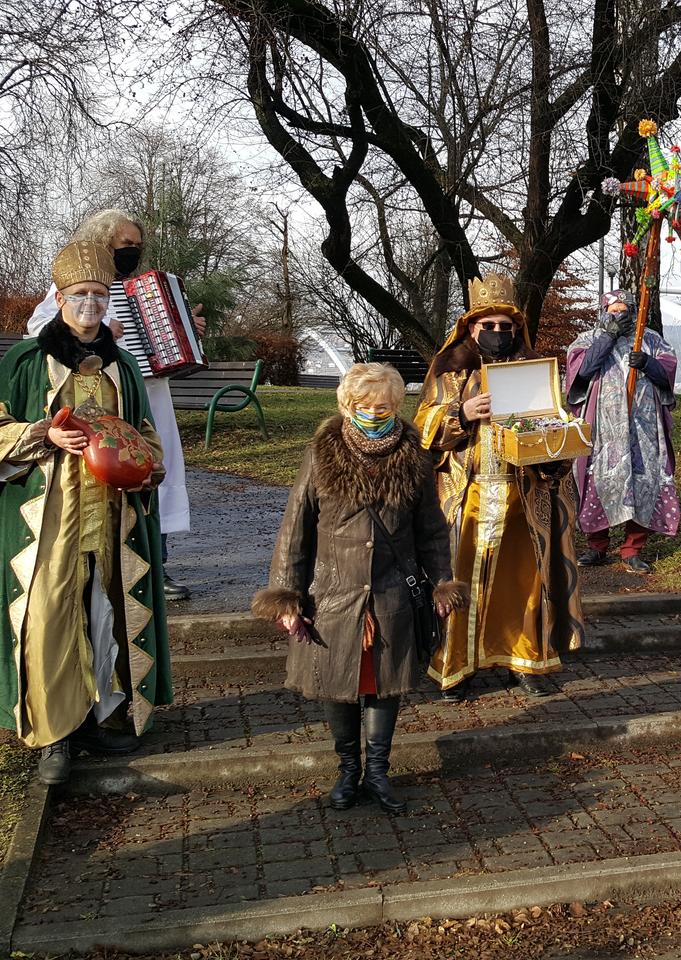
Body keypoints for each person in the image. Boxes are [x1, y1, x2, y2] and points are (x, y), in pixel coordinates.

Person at [252, 364, 466, 813]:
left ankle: (378, 774)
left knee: (384, 685)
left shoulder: (414, 453)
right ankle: (348, 772)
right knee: (338, 683)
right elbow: (295, 528)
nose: (374, 413)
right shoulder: (322, 452)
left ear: (396, 405)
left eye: (383, 406)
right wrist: (286, 595)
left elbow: (431, 528)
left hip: (393, 591)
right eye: (364, 406)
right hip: (332, 591)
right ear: (347, 406)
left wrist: (442, 581)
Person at [0, 240, 171, 786]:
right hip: (48, 519)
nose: (90, 305)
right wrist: (42, 434)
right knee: (50, 616)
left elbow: (144, 434)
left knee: (106, 614)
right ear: (59, 298)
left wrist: (149, 467)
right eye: (79, 295)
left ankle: (97, 716)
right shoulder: (25, 361)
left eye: (100, 295)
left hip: (113, 516)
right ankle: (55, 735)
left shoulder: (123, 366)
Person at [415, 272, 585, 702]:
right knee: (459, 580)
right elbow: (423, 428)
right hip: (466, 496)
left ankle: (524, 659)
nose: (496, 333)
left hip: (521, 498)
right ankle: (456, 666)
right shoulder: (449, 370)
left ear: (516, 330)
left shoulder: (534, 372)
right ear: (470, 328)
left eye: (504, 327)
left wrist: (554, 444)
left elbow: (553, 427)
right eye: (487, 326)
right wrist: (463, 412)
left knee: (524, 581)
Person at [29, 209, 205, 602]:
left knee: (153, 472)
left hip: (149, 393)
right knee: (112, 472)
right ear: (104, 240)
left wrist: (185, 329)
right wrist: (99, 331)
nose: (134, 252)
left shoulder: (144, 287)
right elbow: (39, 328)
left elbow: (163, 341)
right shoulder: (78, 283)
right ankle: (105, 570)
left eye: (138, 246)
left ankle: (155, 568)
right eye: (127, 244)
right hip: (103, 399)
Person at [565, 289, 679, 574]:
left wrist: (649, 364)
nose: (619, 315)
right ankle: (597, 545)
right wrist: (608, 338)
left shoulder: (650, 340)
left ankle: (633, 548)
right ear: (604, 311)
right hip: (601, 430)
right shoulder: (587, 339)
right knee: (597, 481)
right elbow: (580, 373)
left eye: (624, 310)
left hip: (644, 429)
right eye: (612, 311)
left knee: (645, 479)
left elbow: (668, 370)